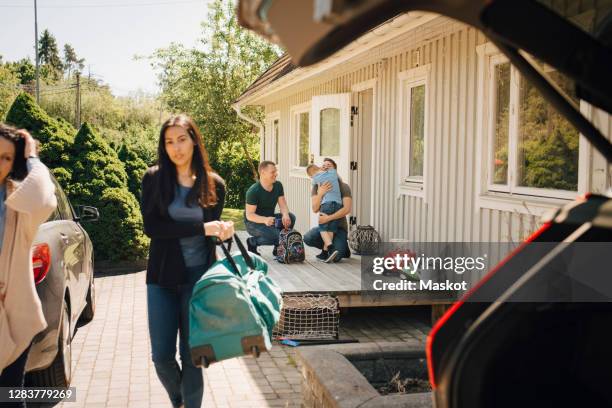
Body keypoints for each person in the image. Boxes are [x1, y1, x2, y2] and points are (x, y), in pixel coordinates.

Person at [140, 114, 234, 408]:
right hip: (162, 279)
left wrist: (223, 231)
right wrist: (201, 228)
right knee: (162, 357)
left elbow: (212, 232)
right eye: (169, 142)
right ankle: (179, 399)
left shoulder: (214, 184)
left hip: (199, 280)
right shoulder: (154, 179)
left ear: (194, 140)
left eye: (182, 139)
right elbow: (153, 228)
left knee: (193, 356)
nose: (176, 148)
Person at [0, 124, 57, 407]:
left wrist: (32, 155)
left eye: (6, 158)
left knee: (10, 396)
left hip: (14, 315)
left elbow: (44, 196)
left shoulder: (18, 201)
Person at [304, 158, 352, 263]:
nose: (325, 168)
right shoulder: (317, 186)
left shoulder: (343, 186)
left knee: (337, 256)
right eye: (324, 166)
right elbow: (315, 209)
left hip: (339, 227)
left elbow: (347, 209)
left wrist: (328, 218)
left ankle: (341, 247)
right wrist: (320, 193)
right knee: (308, 238)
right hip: (327, 224)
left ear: (334, 170)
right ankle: (328, 249)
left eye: (329, 166)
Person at [244, 161, 296, 256]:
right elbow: (249, 215)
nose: (276, 174)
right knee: (276, 236)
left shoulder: (278, 185)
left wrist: (285, 214)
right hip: (253, 222)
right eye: (273, 172)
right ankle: (252, 242)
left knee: (291, 218)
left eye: (276, 171)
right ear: (263, 172)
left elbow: (282, 204)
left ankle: (278, 248)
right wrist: (264, 220)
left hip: (270, 218)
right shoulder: (253, 191)